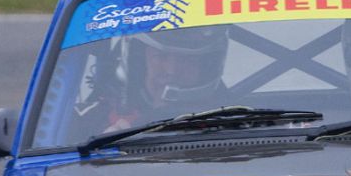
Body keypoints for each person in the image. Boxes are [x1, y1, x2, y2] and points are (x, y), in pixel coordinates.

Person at [69, 25, 230, 134]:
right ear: (140, 62)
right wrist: (102, 151)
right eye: (160, 56)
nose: (171, 70)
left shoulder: (237, 121)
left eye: (186, 59)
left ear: (206, 66)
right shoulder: (87, 120)